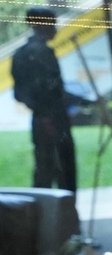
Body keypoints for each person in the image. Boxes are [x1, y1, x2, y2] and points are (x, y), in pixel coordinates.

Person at [11, 8, 88, 191]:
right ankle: (62, 209)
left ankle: (42, 208)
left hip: (41, 120)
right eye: (52, 24)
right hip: (53, 121)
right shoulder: (41, 53)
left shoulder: (21, 53)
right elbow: (54, 92)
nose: (56, 29)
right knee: (63, 172)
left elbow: (20, 94)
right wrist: (87, 102)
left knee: (44, 171)